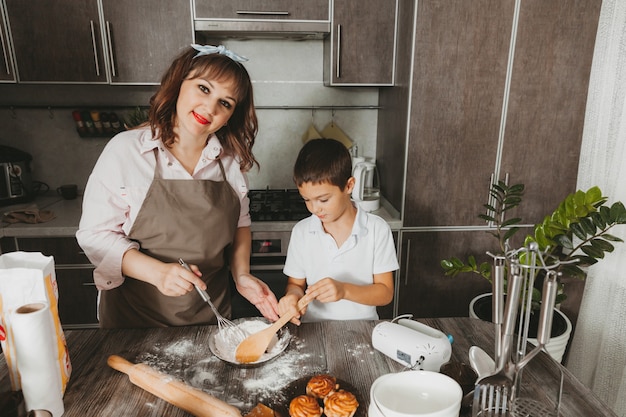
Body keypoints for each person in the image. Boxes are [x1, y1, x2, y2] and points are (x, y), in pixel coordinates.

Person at [76, 44, 280, 328]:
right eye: (204, 88)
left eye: (226, 103)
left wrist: (242, 275)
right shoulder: (126, 152)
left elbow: (240, 226)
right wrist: (157, 273)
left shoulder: (230, 164)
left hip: (209, 318)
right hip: (134, 321)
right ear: (179, 83)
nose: (210, 108)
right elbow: (94, 235)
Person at [278, 138, 399, 323]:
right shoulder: (302, 232)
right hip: (314, 329)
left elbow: (385, 293)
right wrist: (292, 298)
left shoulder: (377, 229)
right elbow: (295, 284)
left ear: (349, 185)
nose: (314, 208)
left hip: (364, 328)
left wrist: (344, 290)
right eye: (307, 200)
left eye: (323, 199)